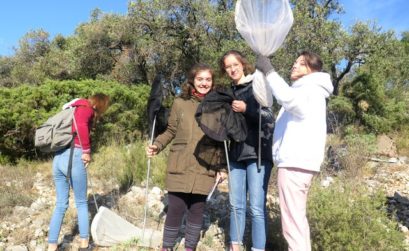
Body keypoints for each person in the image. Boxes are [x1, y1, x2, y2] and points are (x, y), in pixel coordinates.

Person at [255, 51, 333, 251]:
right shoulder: (310, 89)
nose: (294, 65)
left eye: (301, 63)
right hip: (300, 162)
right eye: (294, 61)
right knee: (296, 219)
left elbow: (289, 99)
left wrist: (270, 71)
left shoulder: (310, 90)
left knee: (292, 222)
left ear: (312, 69)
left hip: (295, 162)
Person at [146, 63, 226, 251]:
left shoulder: (218, 106)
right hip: (180, 162)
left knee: (197, 209)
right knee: (175, 207)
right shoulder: (180, 102)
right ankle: (166, 247)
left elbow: (222, 139)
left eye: (208, 79)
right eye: (200, 79)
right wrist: (157, 145)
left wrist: (222, 167)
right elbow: (171, 130)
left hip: (205, 165)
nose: (204, 83)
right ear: (192, 80)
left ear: (212, 82)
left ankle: (190, 247)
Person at [219, 50, 274, 251]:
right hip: (235, 155)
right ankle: (235, 246)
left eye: (235, 64)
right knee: (236, 205)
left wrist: (246, 109)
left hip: (257, 153)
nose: (232, 69)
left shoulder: (257, 84)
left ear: (243, 64)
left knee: (257, 208)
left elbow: (268, 117)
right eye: (228, 66)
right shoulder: (227, 93)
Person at [47, 93, 110, 251]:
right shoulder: (86, 109)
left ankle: (52, 245)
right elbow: (81, 126)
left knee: (60, 204)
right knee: (81, 203)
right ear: (99, 104)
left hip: (59, 156)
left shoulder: (72, 108)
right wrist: (87, 151)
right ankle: (84, 244)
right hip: (74, 155)